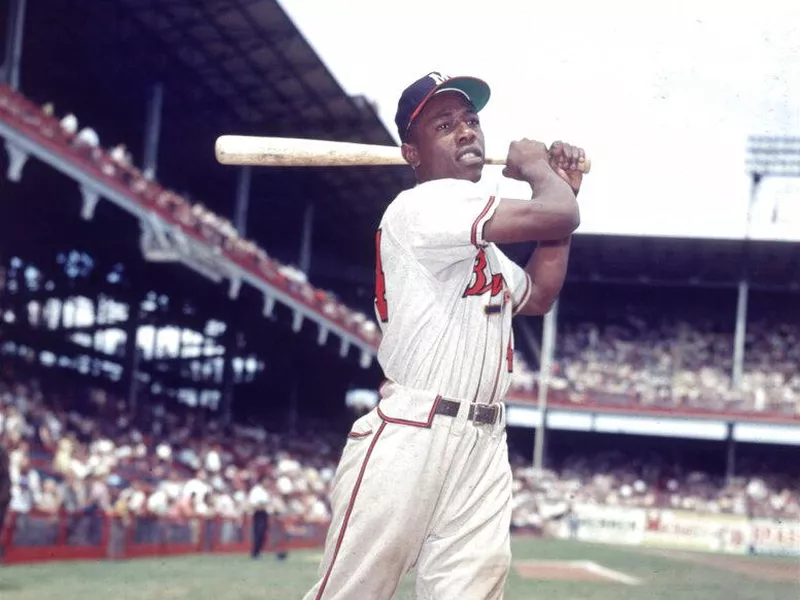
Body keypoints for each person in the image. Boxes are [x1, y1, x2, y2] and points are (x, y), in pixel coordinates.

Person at [303, 71, 584, 600]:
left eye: (472, 121)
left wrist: (561, 192)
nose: (466, 132)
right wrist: (541, 172)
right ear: (413, 153)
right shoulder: (424, 206)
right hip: (413, 430)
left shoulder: (479, 245)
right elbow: (556, 213)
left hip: (482, 442)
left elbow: (541, 294)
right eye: (445, 125)